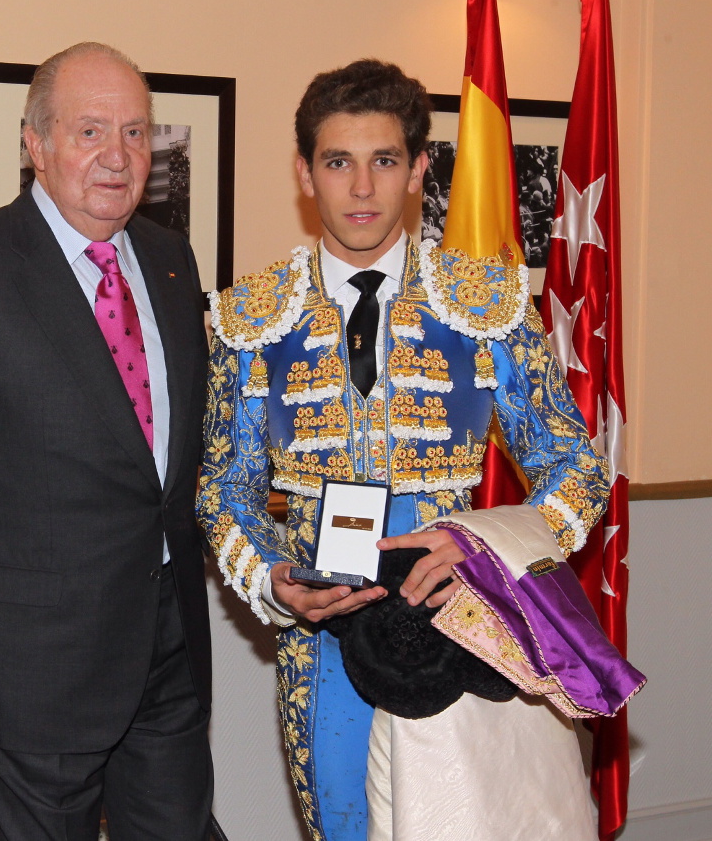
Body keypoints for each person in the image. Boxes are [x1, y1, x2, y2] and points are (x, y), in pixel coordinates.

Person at [197, 59, 611, 840]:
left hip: (459, 617)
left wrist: (479, 546)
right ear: (303, 170)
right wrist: (272, 577)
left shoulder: (485, 304)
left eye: (384, 161)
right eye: (338, 162)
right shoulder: (250, 318)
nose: (360, 189)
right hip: (320, 639)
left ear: (420, 168)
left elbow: (578, 468)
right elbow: (226, 486)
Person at [0, 42, 213, 840]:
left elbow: (166, 460)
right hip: (28, 666)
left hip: (166, 646)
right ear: (34, 144)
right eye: (90, 131)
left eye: (136, 133)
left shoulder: (168, 260)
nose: (117, 157)